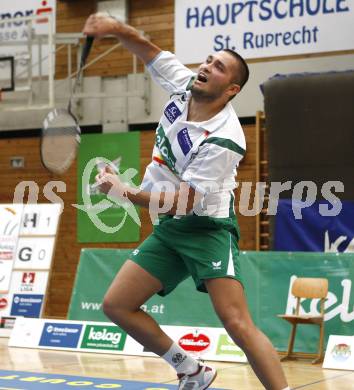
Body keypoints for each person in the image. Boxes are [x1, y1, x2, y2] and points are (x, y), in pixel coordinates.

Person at [83, 13, 290, 390]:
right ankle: (191, 370)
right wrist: (115, 28)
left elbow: (184, 202)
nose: (207, 67)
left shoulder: (224, 138)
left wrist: (123, 191)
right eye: (209, 60)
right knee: (117, 305)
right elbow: (149, 51)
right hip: (169, 229)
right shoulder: (184, 85)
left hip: (205, 228)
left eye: (219, 67)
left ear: (231, 89)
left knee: (236, 323)